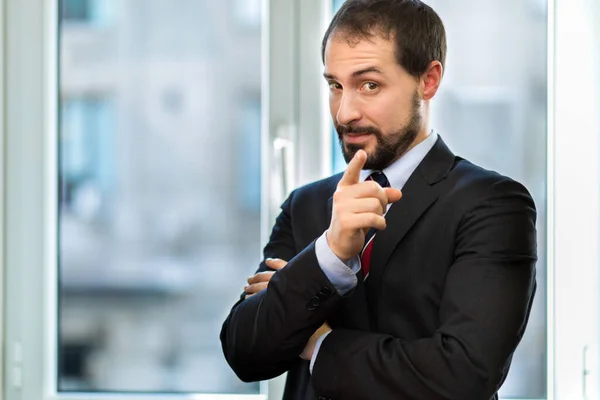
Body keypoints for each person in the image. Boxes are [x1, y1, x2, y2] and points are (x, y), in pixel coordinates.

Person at [220, 0, 537, 399]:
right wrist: (329, 255)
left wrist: (318, 344)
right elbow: (245, 353)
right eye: (335, 85)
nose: (345, 112)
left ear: (428, 80)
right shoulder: (306, 206)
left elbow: (462, 376)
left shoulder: (492, 205)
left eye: (369, 85)